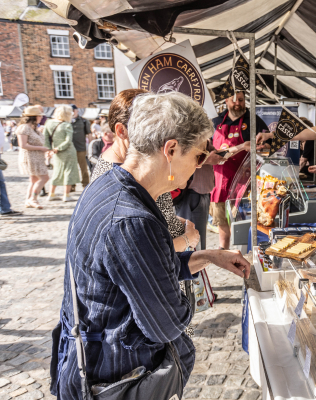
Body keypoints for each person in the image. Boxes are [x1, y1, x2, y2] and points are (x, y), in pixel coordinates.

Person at [50, 92, 250, 399]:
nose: (199, 166)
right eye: (199, 155)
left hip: (97, 362)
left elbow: (144, 269)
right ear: (170, 149)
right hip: (118, 375)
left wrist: (208, 256)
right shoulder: (131, 219)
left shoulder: (111, 185)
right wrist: (179, 298)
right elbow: (166, 323)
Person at [92, 89, 199, 256]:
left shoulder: (130, 167)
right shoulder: (119, 178)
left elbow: (154, 215)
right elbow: (136, 252)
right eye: (147, 126)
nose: (156, 134)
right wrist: (186, 240)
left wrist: (177, 221)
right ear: (121, 131)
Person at [210, 91, 268, 249]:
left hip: (245, 183)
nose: (237, 104)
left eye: (241, 100)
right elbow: (210, 150)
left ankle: (246, 251)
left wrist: (263, 147)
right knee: (221, 220)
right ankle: (224, 249)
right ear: (226, 100)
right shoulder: (216, 121)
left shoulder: (254, 120)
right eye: (234, 100)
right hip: (220, 181)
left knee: (245, 220)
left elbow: (271, 144)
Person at [16, 105, 51, 209]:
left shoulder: (33, 128)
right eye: (39, 116)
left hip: (37, 157)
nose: (41, 117)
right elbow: (23, 145)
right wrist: (41, 148)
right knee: (44, 177)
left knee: (34, 179)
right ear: (33, 116)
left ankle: (28, 200)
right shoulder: (24, 127)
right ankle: (33, 199)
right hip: (30, 158)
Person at [45, 105, 81, 202]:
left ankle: (51, 194)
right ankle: (66, 195)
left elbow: (46, 138)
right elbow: (68, 141)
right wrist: (59, 148)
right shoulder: (67, 125)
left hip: (55, 151)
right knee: (68, 171)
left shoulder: (48, 123)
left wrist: (50, 149)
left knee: (56, 171)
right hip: (68, 151)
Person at [70, 105, 90, 190]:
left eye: (73, 110)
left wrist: (90, 146)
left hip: (81, 147)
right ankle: (71, 185)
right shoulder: (66, 121)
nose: (72, 112)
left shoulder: (84, 121)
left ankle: (85, 184)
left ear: (77, 111)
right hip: (70, 149)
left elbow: (89, 134)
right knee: (71, 168)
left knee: (83, 168)